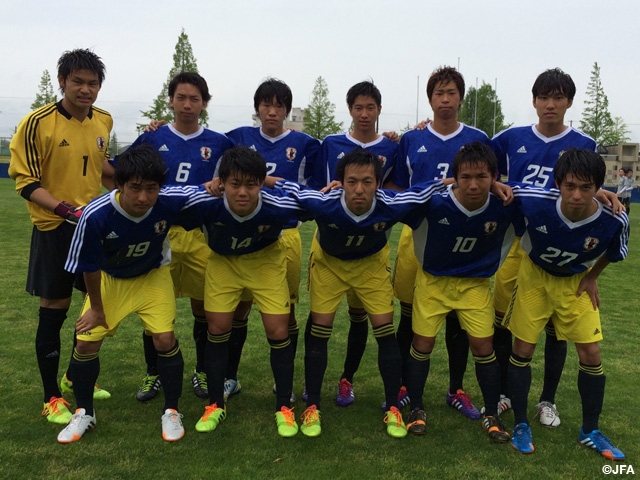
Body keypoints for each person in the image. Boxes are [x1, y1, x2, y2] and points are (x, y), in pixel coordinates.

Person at [273, 148, 444, 438]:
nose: (360, 189)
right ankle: (312, 404)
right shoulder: (325, 202)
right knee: (321, 327)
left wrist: (480, 182)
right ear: (340, 181)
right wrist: (253, 179)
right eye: (352, 181)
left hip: (371, 266)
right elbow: (289, 186)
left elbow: (427, 188)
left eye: (367, 181)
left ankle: (393, 407)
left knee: (384, 329)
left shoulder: (391, 203)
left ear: (378, 183)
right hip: (330, 265)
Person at [58, 144, 200, 443]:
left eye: (151, 188)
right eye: (135, 188)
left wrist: (216, 186)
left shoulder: (168, 202)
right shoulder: (96, 215)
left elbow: (206, 195)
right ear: (119, 184)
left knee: (164, 338)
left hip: (153, 277)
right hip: (111, 280)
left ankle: (172, 410)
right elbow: (89, 266)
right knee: (85, 344)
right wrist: (96, 309)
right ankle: (84, 412)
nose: (143, 197)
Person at [113, 72, 233, 402]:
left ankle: (204, 370)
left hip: (198, 234)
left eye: (194, 99)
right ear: (170, 100)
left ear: (204, 104)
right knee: (155, 312)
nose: (187, 104)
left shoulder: (220, 143)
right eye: (181, 97)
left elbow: (241, 173)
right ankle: (154, 373)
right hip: (157, 233)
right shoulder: (152, 138)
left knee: (204, 309)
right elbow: (118, 173)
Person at [8, 48, 113, 425]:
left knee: (97, 306)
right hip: (54, 229)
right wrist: (65, 210)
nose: (85, 90)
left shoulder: (104, 120)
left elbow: (103, 169)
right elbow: (25, 181)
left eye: (92, 83)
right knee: (54, 311)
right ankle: (52, 396)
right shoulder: (38, 122)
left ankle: (74, 376)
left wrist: (138, 183)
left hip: (91, 227)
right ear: (62, 82)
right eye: (78, 82)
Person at [491, 68, 598, 427]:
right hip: (519, 244)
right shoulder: (510, 138)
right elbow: (478, 168)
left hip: (562, 251)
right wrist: (496, 186)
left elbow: (590, 191)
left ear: (569, 101)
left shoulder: (584, 143)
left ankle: (547, 400)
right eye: (543, 97)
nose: (550, 105)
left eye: (558, 98)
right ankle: (507, 391)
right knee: (504, 321)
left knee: (557, 326)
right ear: (534, 101)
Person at [506, 149, 629, 460]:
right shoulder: (535, 199)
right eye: (570, 186)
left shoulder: (615, 218)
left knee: (591, 351)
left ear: (600, 187)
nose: (576, 195)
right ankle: (521, 423)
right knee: (523, 348)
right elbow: (501, 188)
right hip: (535, 277)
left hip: (575, 282)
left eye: (587, 188)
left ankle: (590, 430)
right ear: (557, 182)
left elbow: (615, 253)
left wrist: (592, 276)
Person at [386, 66, 490, 418]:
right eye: (438, 94)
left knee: (458, 319)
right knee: (408, 313)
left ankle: (455, 388)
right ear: (430, 99)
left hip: (462, 236)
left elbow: (489, 184)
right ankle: (404, 385)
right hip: (416, 235)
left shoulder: (477, 138)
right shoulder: (412, 139)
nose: (445, 100)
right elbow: (398, 187)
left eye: (451, 93)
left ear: (461, 97)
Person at [188, 146, 307, 438]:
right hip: (223, 263)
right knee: (217, 326)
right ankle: (215, 404)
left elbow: (316, 200)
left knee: (278, 329)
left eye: (251, 184)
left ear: (261, 183)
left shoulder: (278, 205)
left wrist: (274, 181)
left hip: (266, 262)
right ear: (222, 182)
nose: (243, 192)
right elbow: (163, 199)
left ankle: (284, 407)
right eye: (235, 184)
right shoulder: (205, 203)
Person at [403, 142, 516, 443]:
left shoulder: (506, 204)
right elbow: (396, 199)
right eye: (465, 177)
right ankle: (416, 408)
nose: (474, 184)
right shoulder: (433, 203)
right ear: (454, 178)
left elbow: (550, 194)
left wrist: (598, 192)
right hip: (433, 282)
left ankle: (491, 413)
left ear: (495, 176)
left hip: (474, 284)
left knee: (483, 346)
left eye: (482, 176)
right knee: (422, 343)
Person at [223, 78, 321, 402]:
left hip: (285, 236)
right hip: (242, 235)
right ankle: (229, 377)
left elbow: (314, 192)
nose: (273, 111)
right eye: (267, 104)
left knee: (286, 313)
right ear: (257, 108)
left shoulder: (305, 144)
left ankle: (284, 381)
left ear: (287, 110)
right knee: (238, 309)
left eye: (280, 105)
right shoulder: (238, 138)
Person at [306, 80, 398, 407]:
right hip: (331, 245)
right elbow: (317, 186)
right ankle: (312, 389)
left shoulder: (391, 147)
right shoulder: (330, 143)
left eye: (370, 107)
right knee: (321, 318)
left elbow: (399, 188)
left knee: (362, 316)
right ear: (349, 110)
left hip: (372, 247)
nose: (364, 113)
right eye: (358, 107)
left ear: (379, 110)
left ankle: (348, 378)